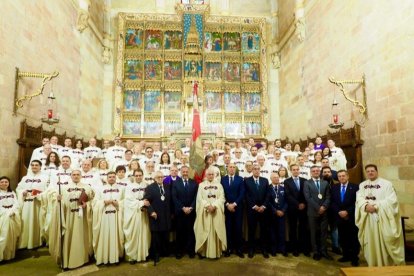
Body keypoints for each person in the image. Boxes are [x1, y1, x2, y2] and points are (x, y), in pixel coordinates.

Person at [355, 164, 405, 267]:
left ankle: (388, 266)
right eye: (368, 171)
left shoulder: (387, 184)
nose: (370, 173)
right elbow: (359, 199)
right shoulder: (362, 185)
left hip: (383, 219)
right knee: (372, 243)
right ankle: (374, 264)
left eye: (372, 170)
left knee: (385, 242)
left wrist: (376, 206)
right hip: (368, 219)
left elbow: (392, 201)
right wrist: (365, 206)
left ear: (377, 171)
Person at [51, 170, 93, 269]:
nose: (76, 176)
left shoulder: (87, 187)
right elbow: (59, 203)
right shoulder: (64, 188)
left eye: (78, 174)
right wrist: (58, 200)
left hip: (81, 218)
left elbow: (92, 201)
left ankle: (83, 259)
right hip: (69, 216)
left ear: (81, 176)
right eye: (74, 175)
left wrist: (87, 205)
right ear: (71, 176)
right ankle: (67, 261)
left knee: (81, 237)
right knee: (68, 237)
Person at [194, 167, 227, 259]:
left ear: (215, 175)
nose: (211, 176)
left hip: (216, 212)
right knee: (205, 231)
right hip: (205, 212)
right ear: (206, 175)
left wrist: (215, 205)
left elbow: (222, 197)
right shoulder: (201, 185)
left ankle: (216, 252)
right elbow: (199, 198)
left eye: (212, 174)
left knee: (216, 230)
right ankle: (204, 252)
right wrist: (208, 206)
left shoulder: (219, 185)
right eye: (209, 174)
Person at [93, 171, 125, 265]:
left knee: (116, 236)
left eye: (113, 177)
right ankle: (104, 257)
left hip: (116, 217)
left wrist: (118, 203)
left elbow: (125, 201)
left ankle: (115, 258)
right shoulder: (100, 189)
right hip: (104, 217)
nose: (111, 178)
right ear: (107, 178)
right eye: (110, 177)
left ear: (116, 178)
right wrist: (104, 202)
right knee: (105, 235)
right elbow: (95, 202)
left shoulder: (121, 188)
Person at [330, 170, 360, 266]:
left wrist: (347, 212)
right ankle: (346, 255)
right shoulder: (334, 187)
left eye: (343, 176)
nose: (341, 178)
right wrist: (339, 211)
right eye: (339, 176)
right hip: (339, 217)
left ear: (348, 176)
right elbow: (332, 202)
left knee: (353, 238)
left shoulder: (355, 187)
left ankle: (354, 257)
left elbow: (357, 202)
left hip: (351, 216)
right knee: (343, 237)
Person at [16, 160, 48, 249]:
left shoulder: (45, 178)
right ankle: (24, 243)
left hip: (37, 204)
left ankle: (36, 242)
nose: (34, 166)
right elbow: (18, 189)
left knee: (36, 221)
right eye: (33, 165)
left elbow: (47, 191)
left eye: (36, 165)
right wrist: (23, 192)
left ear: (40, 167)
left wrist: (38, 195)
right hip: (26, 204)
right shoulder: (25, 178)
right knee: (25, 221)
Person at [304, 165, 331, 261]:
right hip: (312, 212)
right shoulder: (307, 183)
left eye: (317, 171)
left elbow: (328, 196)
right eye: (314, 171)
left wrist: (324, 207)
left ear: (319, 172)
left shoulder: (325, 183)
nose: (316, 172)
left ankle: (324, 251)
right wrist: (318, 207)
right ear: (311, 172)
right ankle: (316, 252)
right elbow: (308, 197)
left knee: (324, 233)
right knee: (313, 233)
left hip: (324, 212)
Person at [143, 171, 172, 263]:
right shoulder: (150, 188)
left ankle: (164, 252)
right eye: (158, 177)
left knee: (165, 235)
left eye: (161, 177)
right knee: (156, 237)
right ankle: (155, 255)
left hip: (166, 215)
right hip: (156, 215)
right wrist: (151, 212)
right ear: (154, 178)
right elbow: (147, 201)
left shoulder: (168, 186)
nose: (160, 178)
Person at [123, 169, 150, 264]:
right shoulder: (129, 186)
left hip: (144, 213)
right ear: (134, 176)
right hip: (134, 214)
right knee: (133, 234)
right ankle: (132, 257)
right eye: (136, 175)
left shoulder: (146, 185)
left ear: (143, 175)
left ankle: (143, 255)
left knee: (144, 233)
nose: (138, 177)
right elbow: (128, 201)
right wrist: (142, 202)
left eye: (140, 175)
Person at [172, 166, 198, 259]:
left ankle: (191, 251)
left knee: (191, 231)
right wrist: (183, 208)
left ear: (189, 172)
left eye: (187, 172)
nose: (185, 173)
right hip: (180, 212)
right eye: (183, 172)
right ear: (181, 172)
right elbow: (174, 198)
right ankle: (179, 251)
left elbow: (196, 197)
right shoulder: (175, 183)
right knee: (180, 232)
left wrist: (191, 208)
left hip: (191, 212)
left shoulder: (194, 183)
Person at [284, 164, 310, 257]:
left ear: (299, 170)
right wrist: (298, 204)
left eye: (297, 169)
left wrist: (303, 203)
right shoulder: (287, 181)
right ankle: (294, 248)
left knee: (303, 228)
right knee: (293, 228)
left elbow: (307, 194)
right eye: (294, 169)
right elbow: (288, 195)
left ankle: (304, 248)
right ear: (291, 171)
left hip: (304, 208)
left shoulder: (304, 181)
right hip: (293, 208)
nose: (296, 171)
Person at [245, 164, 270, 258]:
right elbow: (246, 195)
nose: (256, 170)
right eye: (255, 169)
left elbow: (268, 194)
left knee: (264, 230)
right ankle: (251, 249)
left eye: (258, 169)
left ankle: (264, 249)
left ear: (260, 170)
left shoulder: (265, 180)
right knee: (252, 230)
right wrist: (254, 206)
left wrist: (263, 206)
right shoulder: (247, 180)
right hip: (252, 210)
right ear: (252, 170)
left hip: (263, 210)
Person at [221, 163, 245, 258]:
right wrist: (227, 204)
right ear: (227, 168)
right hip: (226, 208)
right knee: (228, 228)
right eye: (230, 167)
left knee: (238, 229)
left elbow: (242, 193)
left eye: (233, 167)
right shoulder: (223, 179)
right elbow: (221, 194)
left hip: (237, 208)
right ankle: (229, 249)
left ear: (235, 169)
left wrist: (234, 204)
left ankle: (239, 249)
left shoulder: (240, 179)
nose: (232, 169)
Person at [0, 176, 21, 262]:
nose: (4, 183)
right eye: (2, 182)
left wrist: (13, 211)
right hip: (3, 216)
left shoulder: (12, 193)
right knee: (4, 236)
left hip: (13, 215)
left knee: (11, 236)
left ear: (9, 183)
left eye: (6, 182)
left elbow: (16, 203)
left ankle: (9, 255)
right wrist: (6, 213)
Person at [267, 173, 288, 257]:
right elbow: (267, 201)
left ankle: (282, 249)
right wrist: (275, 211)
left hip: (282, 214)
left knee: (281, 232)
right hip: (272, 214)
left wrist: (283, 210)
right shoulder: (268, 188)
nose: (276, 179)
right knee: (272, 232)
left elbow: (287, 201)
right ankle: (273, 249)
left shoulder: (283, 188)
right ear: (271, 179)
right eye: (274, 177)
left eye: (277, 177)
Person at [322, 166, 341, 255]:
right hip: (323, 210)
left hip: (334, 210)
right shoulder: (319, 183)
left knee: (334, 229)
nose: (327, 173)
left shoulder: (337, 183)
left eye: (328, 172)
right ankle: (323, 247)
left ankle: (335, 246)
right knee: (323, 229)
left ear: (331, 173)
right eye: (325, 172)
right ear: (322, 173)